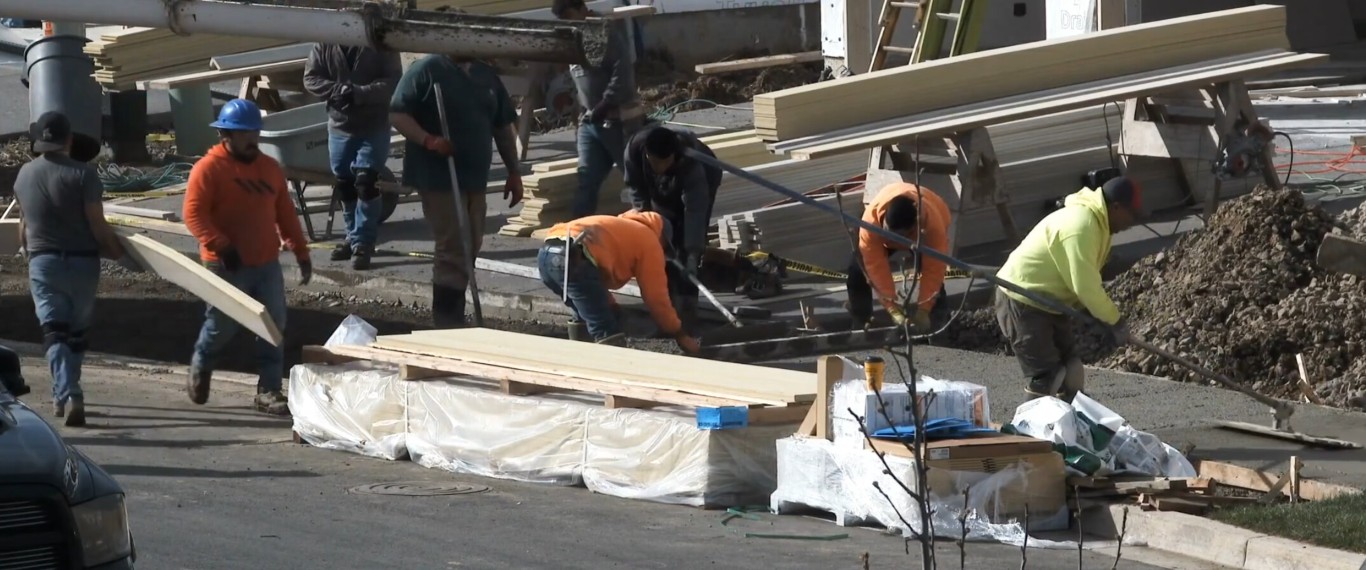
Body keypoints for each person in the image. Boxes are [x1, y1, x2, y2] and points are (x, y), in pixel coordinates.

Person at [183, 99, 313, 416]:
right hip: (225, 264)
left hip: (265, 263)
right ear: (226, 135)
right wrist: (221, 245)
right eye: (244, 133)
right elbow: (193, 214)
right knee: (221, 326)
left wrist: (301, 251)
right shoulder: (208, 169)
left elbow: (285, 214)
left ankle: (269, 390)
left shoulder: (269, 169)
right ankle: (201, 363)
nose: (251, 138)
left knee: (273, 327)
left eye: (254, 131)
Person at [390, 54, 524, 328]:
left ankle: (455, 309)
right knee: (453, 246)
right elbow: (397, 113)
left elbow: (501, 125)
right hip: (439, 176)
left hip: (475, 176)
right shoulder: (426, 70)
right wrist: (429, 140)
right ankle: (447, 320)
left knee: (471, 243)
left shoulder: (485, 75)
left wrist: (514, 171)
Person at [12, 111, 126, 426]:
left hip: (43, 261)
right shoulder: (84, 175)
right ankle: (69, 390)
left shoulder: (23, 175)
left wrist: (26, 249)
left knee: (54, 332)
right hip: (82, 262)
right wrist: (120, 254)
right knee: (76, 334)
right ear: (70, 140)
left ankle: (65, 393)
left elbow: (23, 226)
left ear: (39, 142)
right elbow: (97, 224)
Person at [994, 176, 1144, 403]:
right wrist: (1116, 322)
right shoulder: (1082, 225)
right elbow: (1085, 285)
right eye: (1131, 214)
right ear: (1115, 207)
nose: (1132, 222)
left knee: (1072, 372)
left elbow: (1082, 278)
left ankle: (1071, 427)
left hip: (1050, 303)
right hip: (1022, 299)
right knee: (1047, 377)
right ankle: (1028, 431)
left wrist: (1088, 311)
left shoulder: (1098, 224)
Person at [538, 210, 701, 354]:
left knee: (585, 313)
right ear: (662, 237)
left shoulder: (619, 227)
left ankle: (579, 361)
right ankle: (613, 373)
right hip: (573, 259)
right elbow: (656, 297)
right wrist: (679, 333)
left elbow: (594, 280)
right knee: (604, 328)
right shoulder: (649, 240)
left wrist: (611, 306)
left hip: (546, 256)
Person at [304, 43, 403, 270]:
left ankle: (364, 243)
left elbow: (393, 80)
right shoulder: (324, 45)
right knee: (345, 184)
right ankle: (352, 236)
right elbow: (311, 78)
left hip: (373, 126)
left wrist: (359, 92)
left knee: (366, 181)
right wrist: (338, 89)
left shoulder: (380, 44)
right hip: (340, 126)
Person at [623, 125, 721, 332]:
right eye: (655, 162)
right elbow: (635, 187)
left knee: (685, 244)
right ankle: (666, 310)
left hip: (704, 181)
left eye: (664, 163)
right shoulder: (634, 149)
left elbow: (695, 212)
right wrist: (646, 221)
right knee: (661, 240)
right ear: (647, 154)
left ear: (674, 155)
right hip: (661, 189)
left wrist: (693, 253)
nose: (659, 167)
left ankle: (687, 311)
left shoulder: (692, 166)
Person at [552, 0, 644, 218]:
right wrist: (565, 95)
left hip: (619, 120)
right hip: (590, 122)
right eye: (562, 19)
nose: (567, 21)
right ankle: (577, 236)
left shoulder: (604, 32)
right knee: (587, 180)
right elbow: (574, 74)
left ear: (583, 9)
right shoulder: (575, 36)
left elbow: (622, 74)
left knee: (635, 180)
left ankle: (651, 229)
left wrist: (605, 104)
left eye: (569, 15)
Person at [847, 182, 952, 332]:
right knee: (858, 270)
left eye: (899, 237)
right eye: (891, 234)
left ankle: (938, 322)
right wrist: (892, 308)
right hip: (884, 236)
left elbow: (934, 269)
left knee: (931, 272)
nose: (895, 240)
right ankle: (861, 322)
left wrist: (924, 309)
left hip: (920, 234)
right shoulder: (870, 223)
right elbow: (875, 267)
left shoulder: (932, 225)